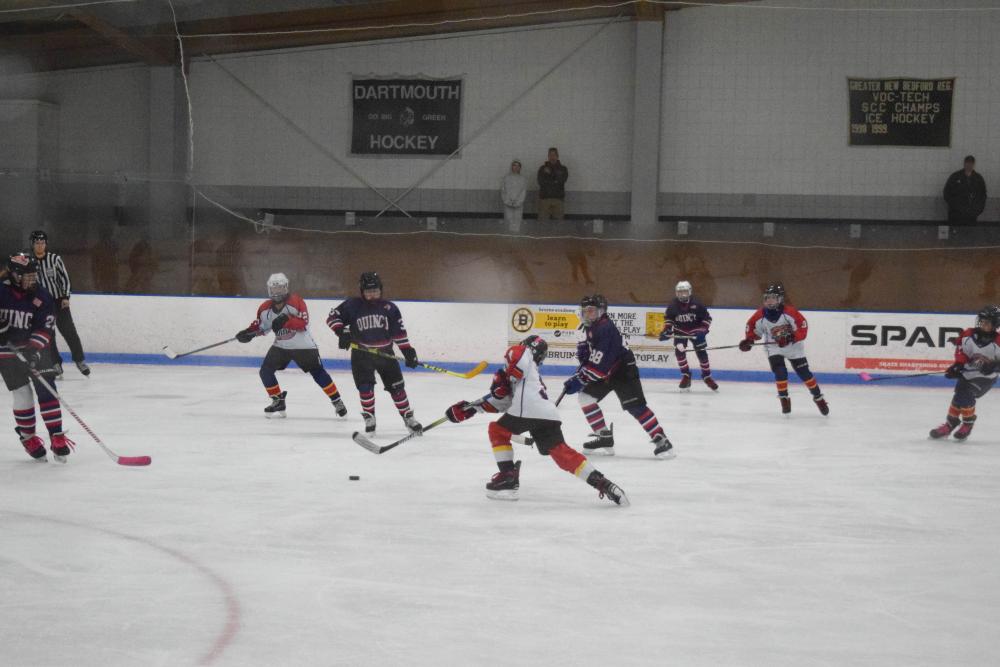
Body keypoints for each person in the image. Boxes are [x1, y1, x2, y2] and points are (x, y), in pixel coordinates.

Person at [444, 335, 629, 506]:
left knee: (496, 430)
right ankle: (604, 484)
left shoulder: (522, 354)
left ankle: (507, 477)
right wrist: (472, 408)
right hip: (547, 413)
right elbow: (504, 402)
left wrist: (506, 376)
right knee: (563, 455)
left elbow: (516, 355)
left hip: (529, 408)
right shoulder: (530, 377)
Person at [563, 294, 675, 458]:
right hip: (607, 371)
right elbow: (590, 360)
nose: (588, 315)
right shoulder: (590, 328)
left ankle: (662, 440)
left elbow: (598, 367)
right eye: (585, 311)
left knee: (635, 407)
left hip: (623, 371)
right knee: (586, 397)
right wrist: (582, 348)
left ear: (601, 311)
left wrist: (579, 380)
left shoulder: (605, 328)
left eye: (592, 311)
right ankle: (604, 437)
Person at [235, 273, 347, 419]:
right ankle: (278, 400)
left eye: (280, 288)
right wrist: (249, 333)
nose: (277, 292)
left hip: (304, 347)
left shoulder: (296, 302)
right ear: (269, 290)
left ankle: (337, 401)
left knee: (318, 372)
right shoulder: (264, 308)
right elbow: (263, 327)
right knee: (265, 371)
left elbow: (303, 323)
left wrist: (286, 320)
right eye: (274, 289)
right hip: (281, 346)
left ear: (286, 288)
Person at [326, 272, 422, 435]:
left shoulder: (389, 308)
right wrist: (342, 332)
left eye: (376, 291)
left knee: (397, 388)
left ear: (381, 290)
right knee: (365, 388)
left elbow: (399, 332)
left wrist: (408, 351)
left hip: (386, 353)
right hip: (361, 354)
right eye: (369, 291)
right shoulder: (352, 305)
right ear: (362, 291)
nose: (372, 294)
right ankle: (370, 418)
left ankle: (408, 418)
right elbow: (332, 318)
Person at [0, 253, 74, 462]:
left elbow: (45, 326)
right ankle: (28, 437)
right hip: (8, 352)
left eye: (34, 276)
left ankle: (57, 436)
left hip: (38, 349)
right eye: (27, 276)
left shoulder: (41, 295)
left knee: (47, 389)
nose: (32, 280)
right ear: (14, 275)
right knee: (23, 394)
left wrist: (34, 349)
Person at [738, 283, 829, 415]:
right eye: (767, 298)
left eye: (773, 298)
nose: (769, 301)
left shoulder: (790, 312)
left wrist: (791, 337)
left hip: (794, 348)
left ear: (780, 299)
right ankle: (784, 398)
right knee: (780, 373)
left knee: (805, 374)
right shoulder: (759, 316)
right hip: (774, 349)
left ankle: (818, 397)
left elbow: (802, 328)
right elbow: (753, 330)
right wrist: (749, 341)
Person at [929, 306, 1000, 441]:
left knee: (965, 395)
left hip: (986, 378)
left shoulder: (999, 341)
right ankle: (951, 423)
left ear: (996, 324)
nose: (983, 324)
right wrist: (958, 365)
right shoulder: (968, 334)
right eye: (982, 321)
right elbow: (961, 351)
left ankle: (968, 423)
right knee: (958, 398)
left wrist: (995, 366)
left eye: (988, 322)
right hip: (968, 374)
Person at [30, 230, 89, 377]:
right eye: (37, 243)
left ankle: (80, 360)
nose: (40, 246)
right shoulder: (29, 261)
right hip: (41, 305)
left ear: (46, 244)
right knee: (48, 336)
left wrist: (65, 296)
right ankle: (55, 364)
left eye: (42, 243)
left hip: (58, 302)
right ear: (32, 244)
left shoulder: (54, 259)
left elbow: (65, 279)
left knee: (70, 332)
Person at [660, 280, 718, 391]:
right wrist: (666, 331)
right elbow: (669, 319)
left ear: (690, 292)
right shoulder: (673, 305)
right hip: (680, 331)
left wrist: (702, 331)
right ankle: (686, 375)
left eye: (685, 292)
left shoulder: (697, 304)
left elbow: (707, 319)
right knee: (680, 352)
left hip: (696, 331)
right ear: (676, 293)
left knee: (701, 352)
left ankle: (706, 376)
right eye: (680, 292)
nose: (682, 294)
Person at [943, 155, 987, 223]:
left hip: (971, 214)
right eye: (967, 163)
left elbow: (983, 195)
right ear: (964, 163)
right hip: (955, 214)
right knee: (955, 232)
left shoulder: (978, 179)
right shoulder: (955, 176)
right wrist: (954, 206)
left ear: (974, 164)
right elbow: (946, 193)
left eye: (971, 163)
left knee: (969, 232)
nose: (969, 165)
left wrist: (978, 210)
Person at [536, 147, 568, 221]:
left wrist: (549, 174)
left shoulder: (563, 169)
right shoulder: (542, 168)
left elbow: (562, 181)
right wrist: (555, 181)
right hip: (544, 199)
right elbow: (540, 182)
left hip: (558, 200)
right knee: (542, 224)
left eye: (554, 155)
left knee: (558, 225)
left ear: (557, 156)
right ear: (548, 156)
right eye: (550, 155)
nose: (552, 157)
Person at [500, 159, 527, 226]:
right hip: (507, 204)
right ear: (511, 167)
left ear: (520, 168)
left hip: (518, 205)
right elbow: (503, 191)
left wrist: (518, 202)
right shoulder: (506, 178)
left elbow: (523, 192)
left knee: (517, 224)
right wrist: (508, 201)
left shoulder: (523, 179)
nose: (516, 167)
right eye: (514, 165)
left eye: (518, 166)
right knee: (508, 223)